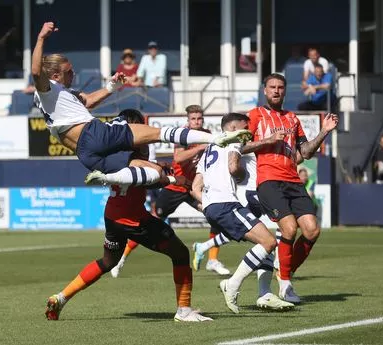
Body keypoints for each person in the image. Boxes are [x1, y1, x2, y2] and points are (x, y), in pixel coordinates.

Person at [31, 22, 251, 190]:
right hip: (93, 134)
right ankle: (217, 138)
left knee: (154, 172)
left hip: (86, 154)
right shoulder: (47, 89)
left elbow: (87, 101)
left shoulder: (60, 96)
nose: (74, 73)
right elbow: (35, 72)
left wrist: (111, 87)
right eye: (69, 71)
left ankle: (109, 178)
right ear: (55, 75)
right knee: (158, 133)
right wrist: (41, 38)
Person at [44, 110, 212, 322]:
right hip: (132, 218)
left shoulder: (113, 153)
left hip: (113, 215)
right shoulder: (131, 154)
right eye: (140, 126)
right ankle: (184, 310)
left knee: (108, 261)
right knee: (180, 254)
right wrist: (170, 179)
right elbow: (145, 178)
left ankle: (61, 297)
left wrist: (165, 173)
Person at [244, 73, 338, 304]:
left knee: (312, 230)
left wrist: (324, 131)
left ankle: (284, 270)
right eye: (272, 87)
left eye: (280, 87)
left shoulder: (293, 119)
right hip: (268, 180)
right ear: (264, 90)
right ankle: (285, 286)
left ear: (285, 91)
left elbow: (305, 152)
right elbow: (241, 146)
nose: (276, 91)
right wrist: (267, 140)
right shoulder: (255, 116)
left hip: (293, 180)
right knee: (289, 228)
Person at [191, 112, 295, 314]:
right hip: (226, 203)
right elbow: (233, 167)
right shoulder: (234, 142)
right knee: (269, 242)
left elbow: (195, 187)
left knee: (265, 242)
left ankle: (264, 293)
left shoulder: (209, 149)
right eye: (245, 128)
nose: (248, 133)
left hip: (213, 207)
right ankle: (233, 284)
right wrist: (241, 174)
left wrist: (208, 204)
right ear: (232, 128)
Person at [110, 105, 230, 277]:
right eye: (193, 118)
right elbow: (178, 158)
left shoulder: (206, 135)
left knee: (215, 214)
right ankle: (121, 259)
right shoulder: (184, 135)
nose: (197, 121)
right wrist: (199, 148)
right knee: (152, 220)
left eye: (199, 118)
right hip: (175, 186)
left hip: (192, 186)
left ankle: (212, 259)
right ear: (188, 120)